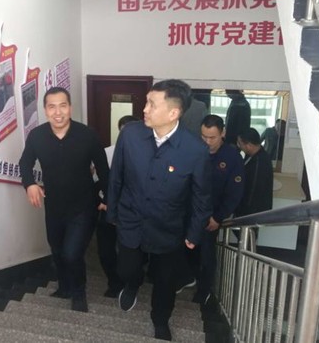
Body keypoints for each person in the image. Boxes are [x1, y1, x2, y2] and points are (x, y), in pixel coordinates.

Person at [107, 79, 212, 341]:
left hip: (168, 227)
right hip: (131, 219)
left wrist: (194, 232)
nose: (144, 109)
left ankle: (160, 319)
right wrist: (112, 212)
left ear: (173, 112)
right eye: (146, 102)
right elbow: (116, 176)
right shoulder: (130, 135)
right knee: (127, 268)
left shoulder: (195, 150)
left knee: (165, 281)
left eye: (152, 104)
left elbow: (202, 197)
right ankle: (132, 284)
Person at [19, 87, 109, 313]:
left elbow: (103, 170)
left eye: (62, 106)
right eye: (52, 107)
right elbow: (25, 163)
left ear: (70, 107)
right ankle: (65, 287)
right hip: (54, 206)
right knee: (57, 250)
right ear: (45, 110)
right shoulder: (37, 136)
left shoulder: (87, 135)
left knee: (72, 253)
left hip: (83, 206)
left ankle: (79, 293)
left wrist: (108, 198)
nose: (57, 112)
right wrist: (30, 183)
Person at [193, 114, 244, 305]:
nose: (207, 142)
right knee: (187, 250)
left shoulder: (232, 157)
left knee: (206, 255)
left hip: (212, 216)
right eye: (204, 136)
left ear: (223, 133)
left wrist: (218, 217)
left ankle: (204, 290)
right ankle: (188, 277)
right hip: (191, 212)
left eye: (212, 137)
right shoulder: (196, 150)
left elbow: (235, 193)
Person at [95, 115, 140, 298]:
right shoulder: (106, 153)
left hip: (131, 213)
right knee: (105, 250)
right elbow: (94, 180)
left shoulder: (147, 154)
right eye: (123, 133)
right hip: (107, 209)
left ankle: (131, 282)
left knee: (130, 251)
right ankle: (114, 283)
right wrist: (102, 202)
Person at [235, 128, 274, 218]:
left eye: (240, 144)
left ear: (249, 145)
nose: (239, 146)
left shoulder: (260, 163)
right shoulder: (252, 155)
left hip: (252, 213)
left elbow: (253, 192)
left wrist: (240, 212)